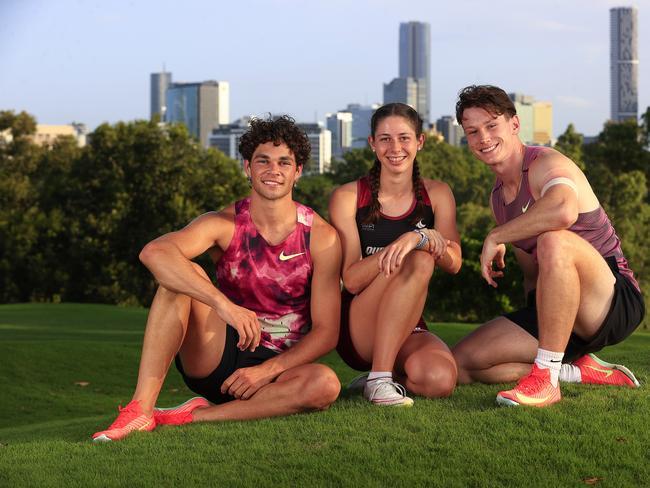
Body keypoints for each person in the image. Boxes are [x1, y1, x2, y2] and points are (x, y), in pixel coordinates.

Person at [92, 115, 342, 442]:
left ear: (297, 172)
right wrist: (224, 306)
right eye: (262, 161)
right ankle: (140, 410)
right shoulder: (224, 223)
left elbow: (327, 332)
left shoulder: (321, 237)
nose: (273, 170)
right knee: (182, 277)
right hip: (219, 355)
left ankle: (194, 416)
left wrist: (266, 371)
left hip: (282, 370)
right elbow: (154, 253)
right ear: (247, 168)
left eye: (284, 162)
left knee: (325, 384)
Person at [452, 85, 644, 407]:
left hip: (612, 300)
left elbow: (563, 210)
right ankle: (573, 369)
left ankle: (546, 380)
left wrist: (496, 235)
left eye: (491, 126)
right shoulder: (498, 199)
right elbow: (532, 276)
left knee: (553, 240)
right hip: (561, 309)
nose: (483, 138)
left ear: (514, 125)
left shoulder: (545, 163)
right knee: (461, 363)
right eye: (472, 131)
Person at [328, 103, 461, 407]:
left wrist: (420, 237)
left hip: (406, 319)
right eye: (385, 139)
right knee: (421, 257)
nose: (395, 147)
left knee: (438, 380)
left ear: (420, 142)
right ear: (373, 144)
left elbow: (455, 264)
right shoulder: (348, 197)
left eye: (404, 138)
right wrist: (404, 246)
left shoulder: (438, 194)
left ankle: (378, 379)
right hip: (358, 324)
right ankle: (379, 379)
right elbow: (350, 280)